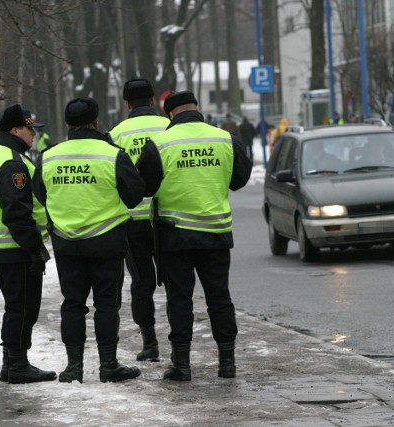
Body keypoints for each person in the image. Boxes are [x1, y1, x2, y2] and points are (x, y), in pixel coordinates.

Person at [136, 91, 252, 381]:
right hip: (216, 233)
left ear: (169, 114)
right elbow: (239, 180)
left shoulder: (159, 144)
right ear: (197, 108)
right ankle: (227, 363)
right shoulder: (226, 139)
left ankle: (182, 364)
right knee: (219, 298)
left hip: (175, 236)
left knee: (179, 299)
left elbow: (144, 187)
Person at [34, 97, 145, 384]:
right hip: (107, 241)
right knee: (107, 304)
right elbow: (134, 196)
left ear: (67, 124)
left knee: (72, 303)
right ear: (97, 122)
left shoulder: (48, 156)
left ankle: (73, 367)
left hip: (66, 242)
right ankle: (108, 365)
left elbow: (40, 194)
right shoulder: (113, 154)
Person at [0, 104, 56, 384]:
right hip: (15, 249)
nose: (34, 134)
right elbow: (17, 213)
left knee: (16, 306)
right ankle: (19, 365)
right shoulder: (13, 163)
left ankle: (10, 364)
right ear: (15, 130)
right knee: (23, 308)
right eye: (30, 129)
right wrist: (34, 248)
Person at [109, 78, 170, 362]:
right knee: (175, 282)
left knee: (141, 283)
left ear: (127, 104)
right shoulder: (169, 128)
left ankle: (150, 343)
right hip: (167, 216)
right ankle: (179, 342)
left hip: (133, 221)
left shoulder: (116, 134)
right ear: (154, 100)